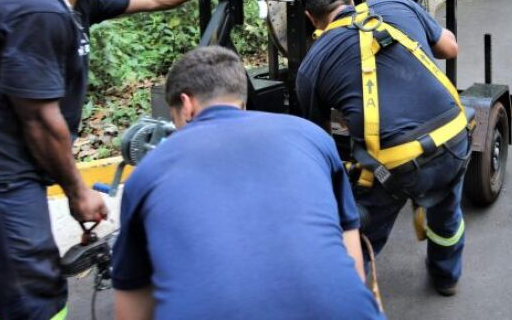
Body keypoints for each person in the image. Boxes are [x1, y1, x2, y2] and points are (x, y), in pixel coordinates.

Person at [0, 0, 241, 320]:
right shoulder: (37, 12)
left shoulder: (75, 3)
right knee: (39, 299)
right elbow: (41, 121)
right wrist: (78, 192)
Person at [111, 46, 383, 320]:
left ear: (187, 105)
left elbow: (131, 311)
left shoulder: (149, 171)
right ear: (241, 102)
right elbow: (353, 263)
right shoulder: (312, 136)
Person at [295, 0, 469, 296]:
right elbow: (450, 47)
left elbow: (319, 147)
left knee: (360, 236)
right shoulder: (398, 4)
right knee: (447, 211)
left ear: (311, 19)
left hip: (393, 168)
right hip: (455, 136)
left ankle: (352, 300)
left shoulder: (312, 65)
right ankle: (446, 278)